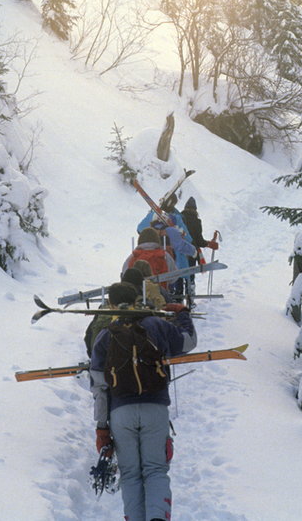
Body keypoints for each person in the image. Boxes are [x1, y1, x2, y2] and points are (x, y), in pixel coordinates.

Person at [90, 283, 197, 521]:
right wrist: (182, 314)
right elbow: (188, 342)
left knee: (130, 475)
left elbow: (100, 387)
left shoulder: (105, 336)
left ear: (111, 305)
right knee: (156, 470)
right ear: (139, 298)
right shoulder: (156, 325)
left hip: (121, 413)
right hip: (155, 408)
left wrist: (101, 427)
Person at [137, 194, 195, 296]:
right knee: (175, 282)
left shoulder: (171, 218)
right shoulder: (175, 220)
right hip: (174, 264)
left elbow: (140, 229)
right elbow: (186, 241)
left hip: (152, 265)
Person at [180, 196, 219, 296]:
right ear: (195, 209)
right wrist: (209, 243)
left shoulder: (179, 218)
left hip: (179, 251)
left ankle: (178, 296)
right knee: (190, 274)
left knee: (179, 274)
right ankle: (190, 296)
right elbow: (199, 241)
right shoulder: (197, 221)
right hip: (192, 251)